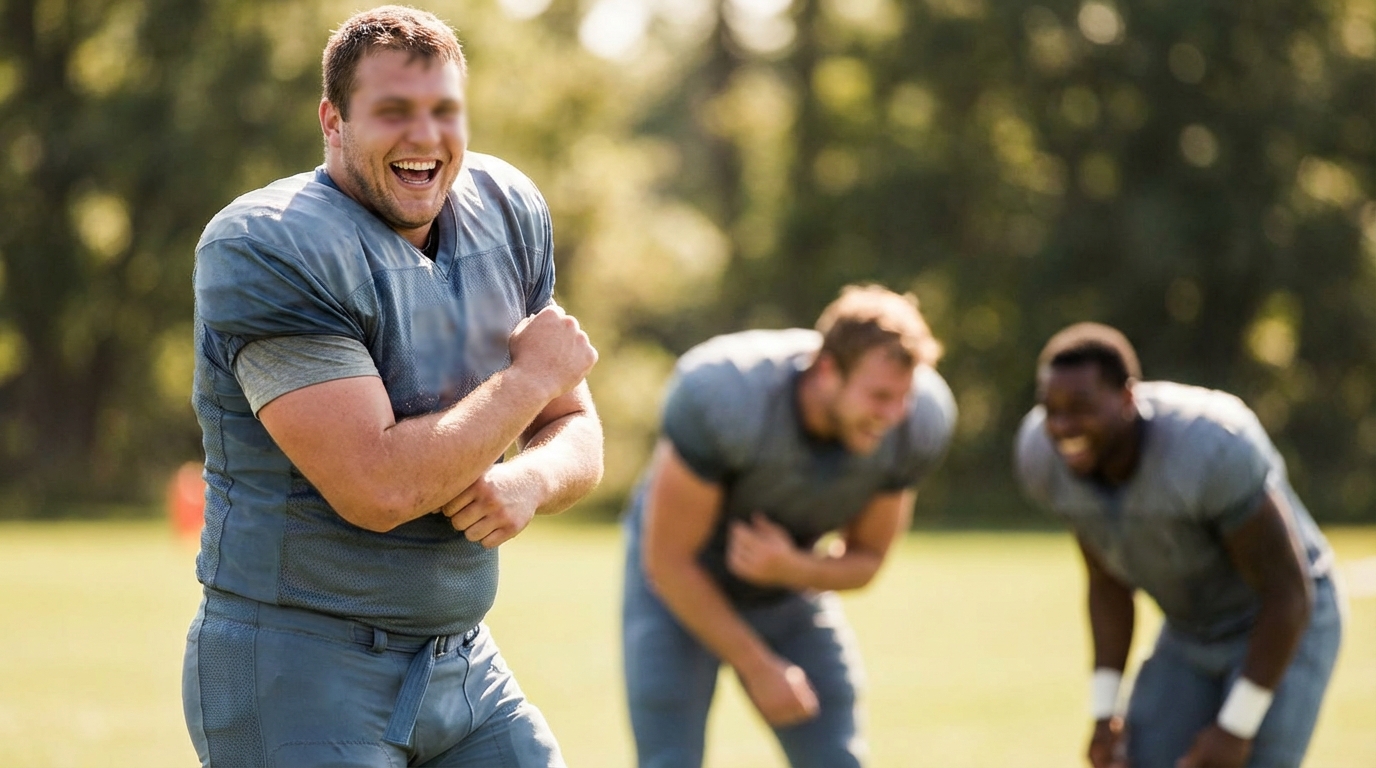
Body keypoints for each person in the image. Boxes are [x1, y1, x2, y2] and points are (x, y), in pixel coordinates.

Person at [181, 6, 602, 766]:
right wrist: (528, 377)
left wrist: (532, 480)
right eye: (393, 112)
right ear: (333, 121)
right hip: (299, 664)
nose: (424, 136)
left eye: (444, 111)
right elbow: (376, 487)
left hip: (462, 662)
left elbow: (573, 423)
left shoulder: (504, 209)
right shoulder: (268, 245)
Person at [621, 285, 957, 768]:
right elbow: (668, 561)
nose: (893, 415)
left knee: (837, 752)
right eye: (879, 396)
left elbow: (868, 561)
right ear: (826, 371)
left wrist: (791, 566)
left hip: (787, 585)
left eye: (903, 397)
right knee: (668, 758)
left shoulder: (917, 419)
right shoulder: (725, 395)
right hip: (677, 587)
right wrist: (758, 666)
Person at [1014, 323, 1342, 768]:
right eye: (1051, 409)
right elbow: (1107, 581)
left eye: (1081, 407)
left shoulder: (1209, 445)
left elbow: (1288, 592)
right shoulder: (1042, 454)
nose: (1062, 425)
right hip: (1190, 631)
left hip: (1283, 622)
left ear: (1128, 398)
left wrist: (1234, 729)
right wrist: (1103, 712)